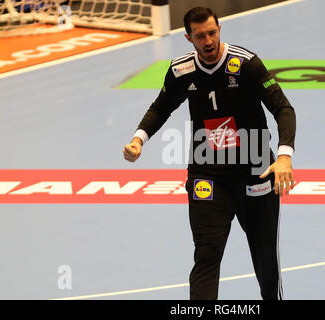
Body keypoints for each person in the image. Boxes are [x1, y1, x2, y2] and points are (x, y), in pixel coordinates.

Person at [123, 7, 296, 300]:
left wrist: (284, 157)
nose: (208, 41)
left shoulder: (246, 64)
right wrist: (139, 138)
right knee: (206, 253)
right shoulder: (181, 71)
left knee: (265, 254)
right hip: (208, 173)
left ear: (219, 30)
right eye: (200, 36)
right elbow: (161, 107)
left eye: (212, 33)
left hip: (255, 169)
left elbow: (283, 108)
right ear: (188, 37)